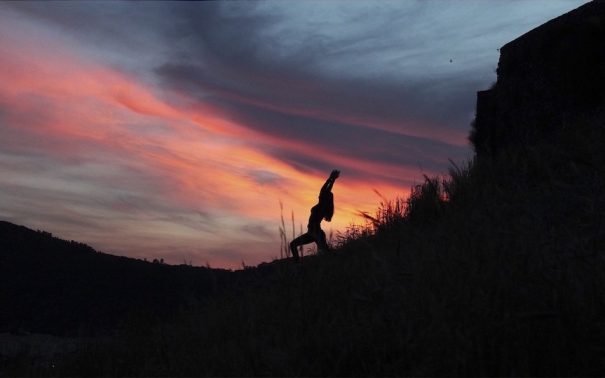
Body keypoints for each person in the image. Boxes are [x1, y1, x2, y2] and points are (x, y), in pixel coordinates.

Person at [290, 169, 340, 261]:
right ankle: (297, 263)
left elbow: (324, 190)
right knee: (293, 244)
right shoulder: (323, 205)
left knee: (325, 254)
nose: (319, 195)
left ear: (324, 197)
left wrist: (330, 179)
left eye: (322, 195)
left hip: (316, 232)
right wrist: (332, 180)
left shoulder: (322, 206)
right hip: (312, 232)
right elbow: (326, 190)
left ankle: (297, 264)